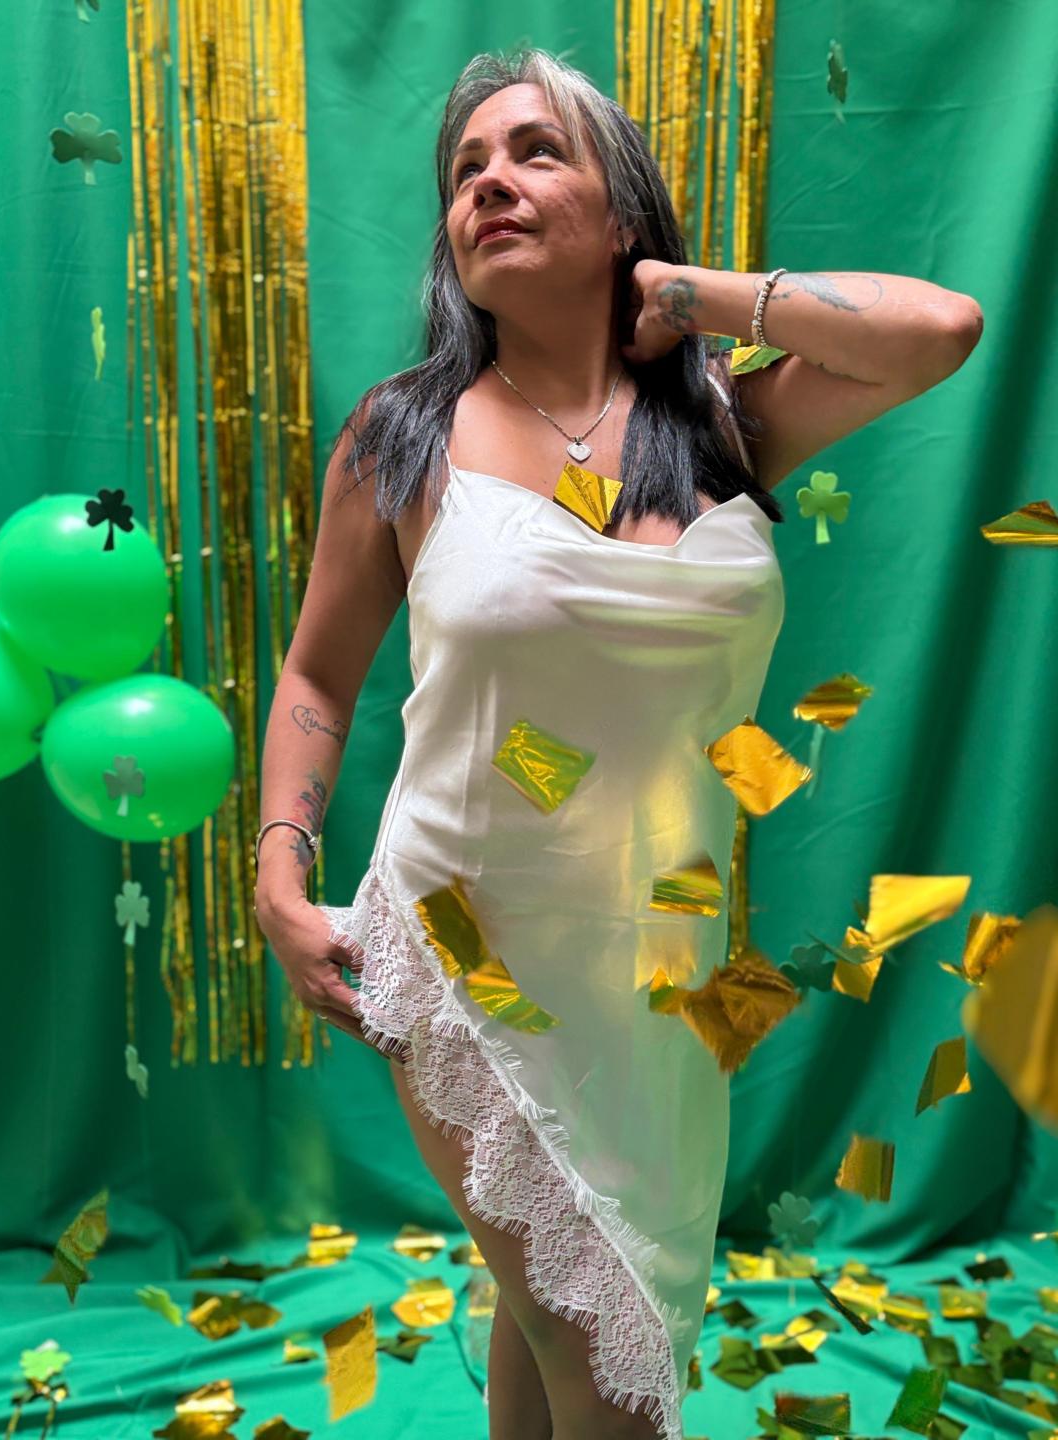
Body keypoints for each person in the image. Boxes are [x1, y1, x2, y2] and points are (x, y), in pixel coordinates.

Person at [253, 47, 982, 1440]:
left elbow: (941, 328)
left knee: (566, 1325)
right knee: (608, 1363)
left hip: (658, 974)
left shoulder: (723, 425)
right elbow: (318, 676)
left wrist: (693, 300)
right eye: (465, 169)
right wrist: (281, 871)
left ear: (621, 213)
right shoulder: (404, 435)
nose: (489, 183)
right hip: (465, 951)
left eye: (535, 152)